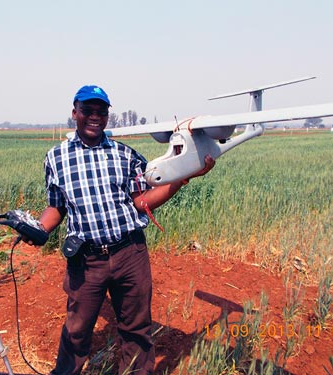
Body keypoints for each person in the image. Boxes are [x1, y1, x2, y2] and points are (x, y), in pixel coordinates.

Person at [37, 85, 215, 375]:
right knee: (77, 331)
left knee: (136, 330)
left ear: (107, 116)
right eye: (87, 110)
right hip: (87, 260)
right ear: (75, 113)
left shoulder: (125, 154)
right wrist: (39, 229)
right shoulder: (55, 158)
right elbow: (55, 207)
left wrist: (185, 177)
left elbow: (142, 201)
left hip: (129, 253)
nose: (94, 116)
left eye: (101, 111)